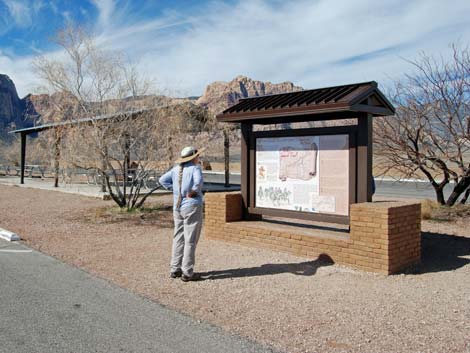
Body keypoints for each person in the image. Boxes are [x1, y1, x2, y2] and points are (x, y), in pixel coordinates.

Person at [159, 146, 205, 282]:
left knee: (178, 237)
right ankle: (187, 272)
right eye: (198, 156)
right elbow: (198, 182)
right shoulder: (195, 168)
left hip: (177, 207)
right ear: (194, 157)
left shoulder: (175, 169)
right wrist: (193, 191)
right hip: (191, 206)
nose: (199, 158)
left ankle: (175, 269)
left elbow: (162, 180)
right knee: (190, 239)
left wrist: (175, 191)